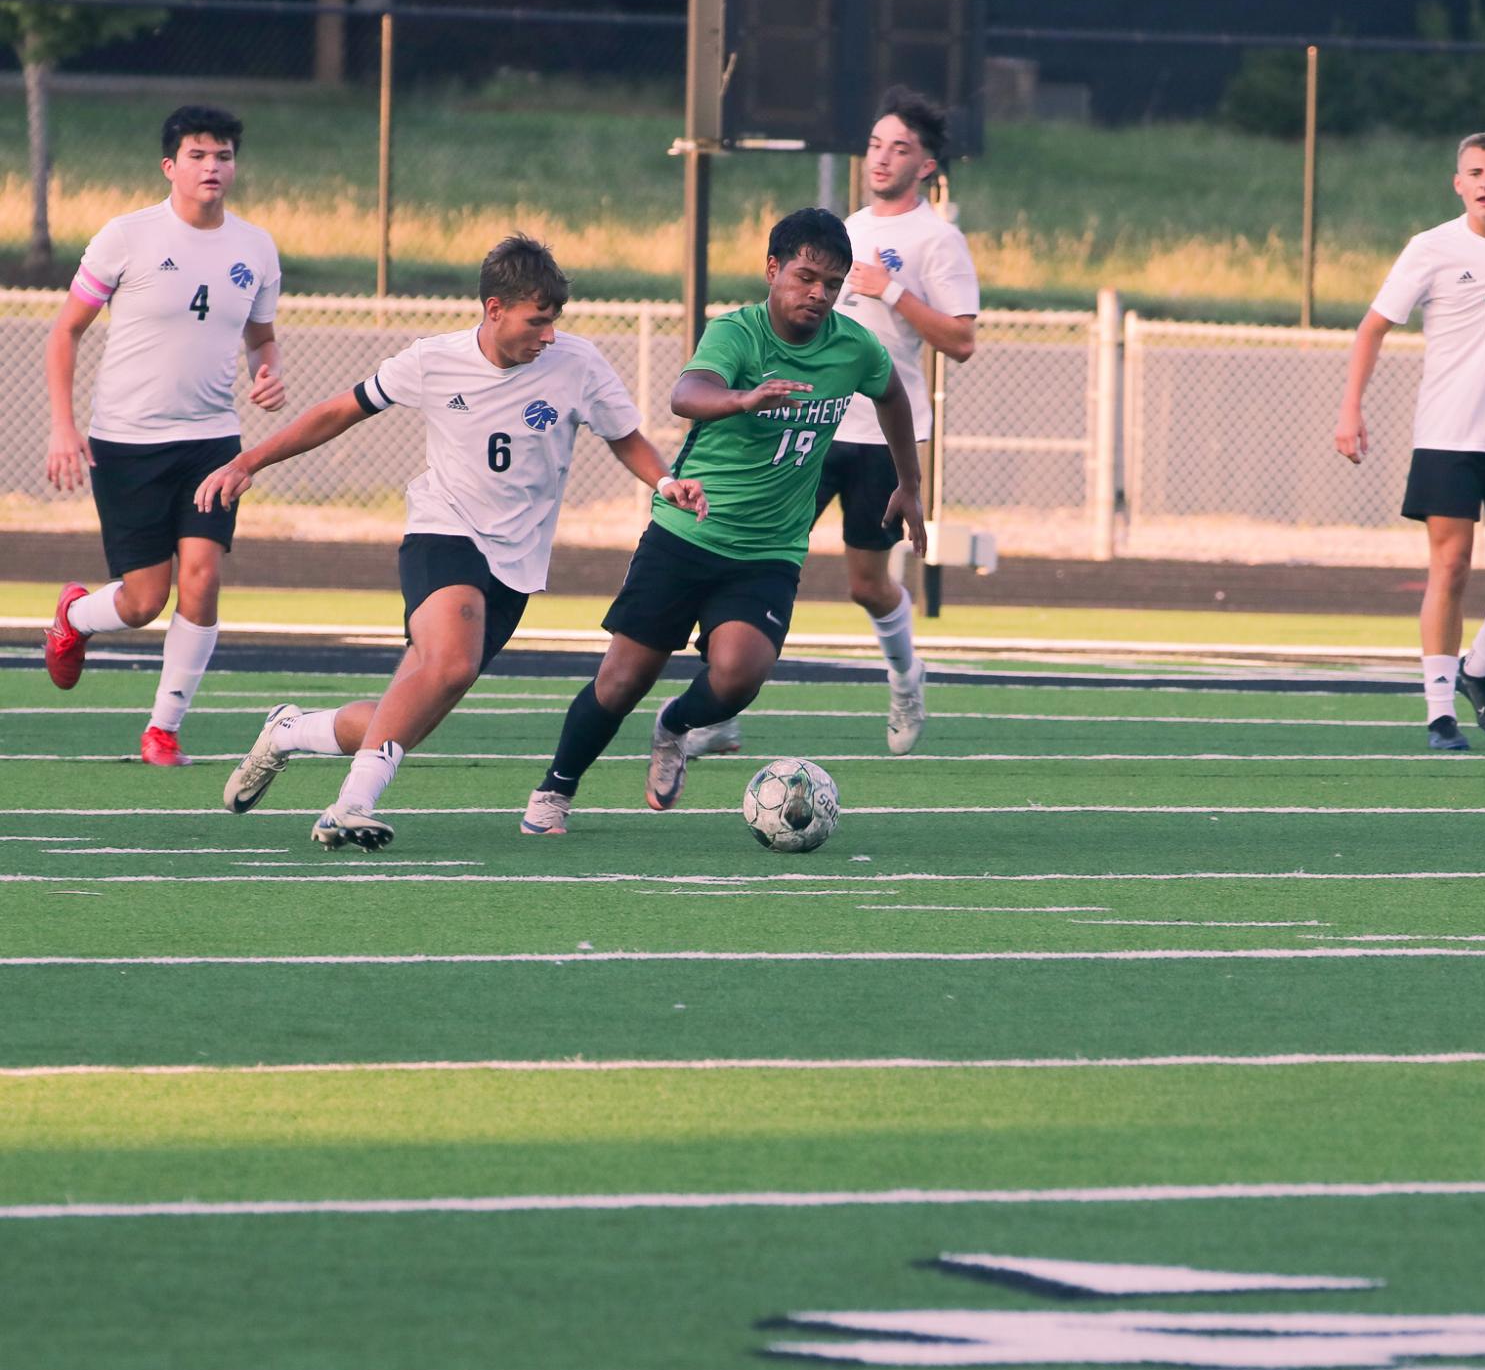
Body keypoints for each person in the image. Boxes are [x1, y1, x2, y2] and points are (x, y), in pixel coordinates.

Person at [196, 234, 699, 850]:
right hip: (445, 528)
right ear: (494, 309)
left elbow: (626, 437)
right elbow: (341, 410)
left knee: (409, 712)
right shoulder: (433, 359)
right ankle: (349, 806)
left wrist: (665, 480)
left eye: (554, 321)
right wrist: (251, 461)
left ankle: (291, 731)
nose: (548, 334)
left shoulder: (580, 364)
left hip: (515, 564)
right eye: (536, 320)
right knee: (452, 663)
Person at [518, 207, 924, 837]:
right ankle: (555, 790)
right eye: (806, 276)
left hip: (769, 549)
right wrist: (743, 398)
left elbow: (892, 394)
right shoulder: (737, 335)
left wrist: (911, 484)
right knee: (622, 678)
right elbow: (686, 394)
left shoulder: (852, 347)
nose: (818, 293)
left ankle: (676, 725)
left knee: (741, 674)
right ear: (772, 269)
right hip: (687, 533)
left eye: (833, 283)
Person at [683, 85, 976, 762]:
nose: (881, 158)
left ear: (926, 165)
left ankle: (906, 678)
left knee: (865, 585)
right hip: (808, 426)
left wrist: (892, 290)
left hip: (879, 436)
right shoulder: (848, 228)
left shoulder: (938, 239)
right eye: (875, 144)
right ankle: (720, 708)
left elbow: (959, 342)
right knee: (741, 552)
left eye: (899, 148)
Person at [42, 104, 285, 765]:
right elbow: (65, 331)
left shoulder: (256, 247)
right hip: (127, 443)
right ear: (170, 165)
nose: (213, 167)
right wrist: (64, 429)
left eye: (224, 155)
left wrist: (267, 374)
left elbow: (260, 339)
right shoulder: (127, 236)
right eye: (199, 155)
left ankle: (164, 728)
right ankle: (73, 618)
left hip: (212, 443)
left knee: (202, 578)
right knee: (144, 600)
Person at [1334, 131, 1485, 750]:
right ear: (1459, 183)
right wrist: (1350, 409)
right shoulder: (1432, 248)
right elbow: (1371, 329)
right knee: (1451, 565)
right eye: (1476, 172)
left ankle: (1479, 669)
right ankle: (1440, 713)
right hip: (1447, 432)